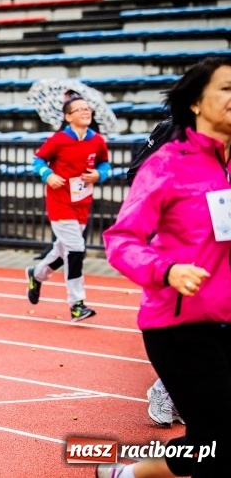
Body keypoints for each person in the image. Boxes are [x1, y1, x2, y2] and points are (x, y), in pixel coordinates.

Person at [99, 57, 231, 478]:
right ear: (195, 102)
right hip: (181, 323)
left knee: (211, 440)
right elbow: (121, 240)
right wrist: (168, 270)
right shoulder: (169, 163)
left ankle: (133, 474)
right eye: (226, 88)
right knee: (217, 438)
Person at [24, 91, 110, 322]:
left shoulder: (97, 140)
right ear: (68, 117)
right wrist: (48, 175)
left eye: (88, 109)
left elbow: (105, 164)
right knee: (76, 250)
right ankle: (76, 303)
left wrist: (98, 175)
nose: (86, 112)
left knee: (64, 251)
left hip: (82, 203)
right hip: (60, 202)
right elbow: (37, 160)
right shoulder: (59, 139)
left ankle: (37, 274)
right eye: (80, 109)